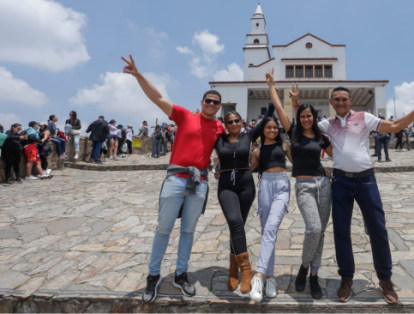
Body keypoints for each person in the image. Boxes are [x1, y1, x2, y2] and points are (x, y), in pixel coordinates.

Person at [122, 54, 225, 303]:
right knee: (163, 229)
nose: (211, 104)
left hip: (199, 183)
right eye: (209, 100)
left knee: (188, 231)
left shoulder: (219, 127)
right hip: (176, 179)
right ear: (202, 102)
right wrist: (139, 75)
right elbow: (157, 98)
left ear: (219, 107)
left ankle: (181, 274)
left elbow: (230, 146)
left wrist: (218, 164)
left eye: (216, 102)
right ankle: (153, 275)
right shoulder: (184, 115)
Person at [318, 86, 414, 304]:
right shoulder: (328, 124)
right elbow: (305, 131)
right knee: (341, 231)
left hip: (366, 181)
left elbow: (396, 126)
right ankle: (346, 278)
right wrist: (294, 105)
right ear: (331, 102)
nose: (341, 102)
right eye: (337, 99)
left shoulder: (364, 117)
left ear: (350, 101)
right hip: (341, 181)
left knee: (378, 229)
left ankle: (385, 279)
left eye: (344, 99)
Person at [266, 70, 333, 300]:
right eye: (302, 116)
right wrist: (272, 86)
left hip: (324, 185)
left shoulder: (320, 137)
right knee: (313, 228)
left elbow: (339, 154)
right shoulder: (293, 132)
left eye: (309, 116)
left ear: (314, 117)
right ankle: (304, 267)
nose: (306, 119)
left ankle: (313, 275)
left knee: (321, 233)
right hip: (304, 186)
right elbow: (278, 105)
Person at [213, 106, 269, 295]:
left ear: (242, 122)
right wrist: (214, 169)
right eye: (230, 122)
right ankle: (246, 269)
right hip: (226, 186)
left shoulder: (248, 137)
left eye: (237, 120)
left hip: (246, 186)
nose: (234, 124)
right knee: (235, 222)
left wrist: (271, 94)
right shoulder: (219, 140)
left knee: (237, 227)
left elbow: (266, 118)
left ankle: (232, 267)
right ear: (225, 125)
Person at [248, 107, 293, 303]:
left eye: (275, 127)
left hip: (282, 185)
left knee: (271, 228)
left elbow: (299, 164)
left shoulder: (284, 146)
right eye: (269, 127)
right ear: (263, 130)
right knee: (268, 232)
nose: (273, 130)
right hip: (265, 185)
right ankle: (270, 277)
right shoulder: (257, 151)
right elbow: (247, 169)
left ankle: (258, 276)